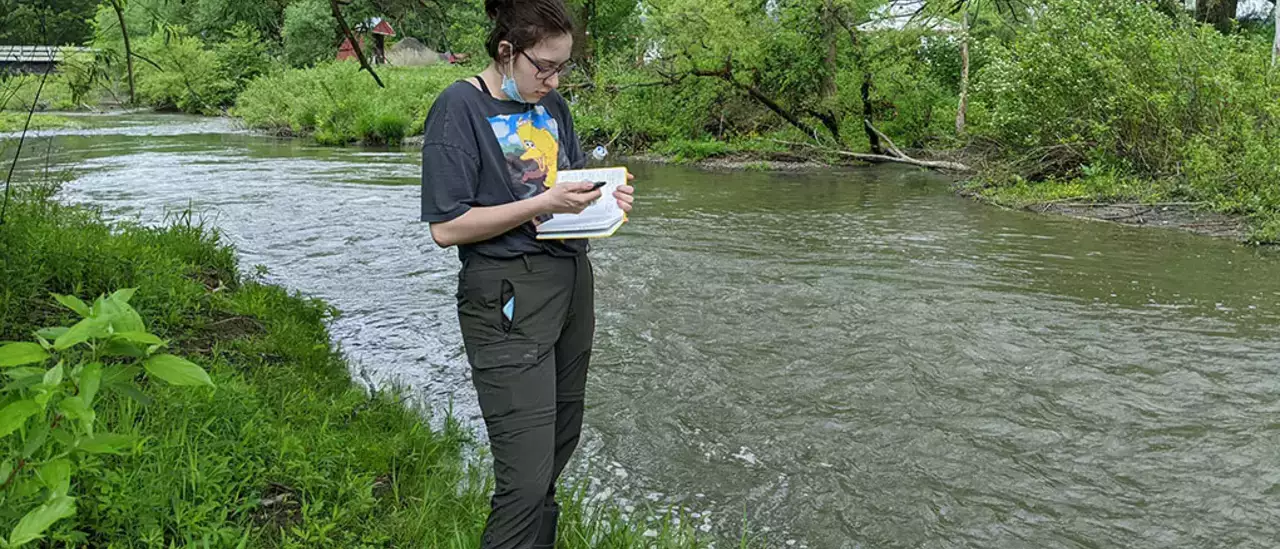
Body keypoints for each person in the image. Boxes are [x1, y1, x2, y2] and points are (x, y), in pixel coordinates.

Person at [418, 0, 635, 547]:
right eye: (545, 66)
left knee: (560, 447)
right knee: (524, 478)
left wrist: (605, 200)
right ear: (506, 50)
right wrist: (543, 204)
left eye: (564, 67)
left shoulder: (553, 106)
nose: (554, 79)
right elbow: (448, 227)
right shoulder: (458, 108)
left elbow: (568, 190)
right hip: (505, 296)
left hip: (569, 285)